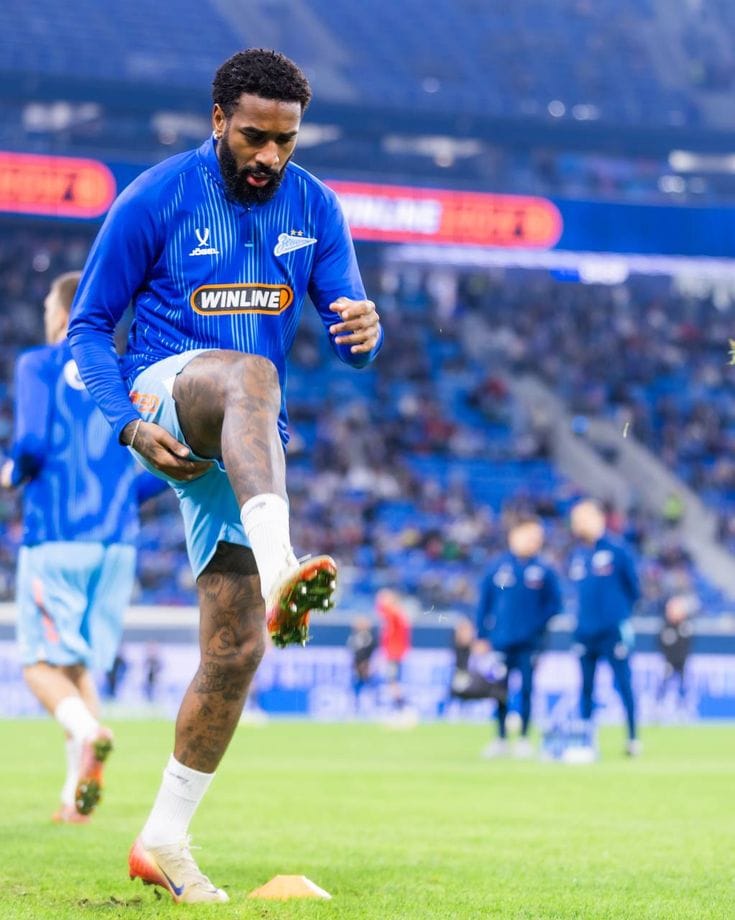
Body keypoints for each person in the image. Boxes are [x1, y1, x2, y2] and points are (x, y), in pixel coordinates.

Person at [67, 49, 382, 903]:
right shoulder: (156, 197)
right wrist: (125, 421)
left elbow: (353, 338)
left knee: (236, 648)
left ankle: (162, 838)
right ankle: (284, 566)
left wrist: (365, 332)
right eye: (252, 137)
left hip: (245, 437)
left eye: (285, 141)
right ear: (217, 120)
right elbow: (89, 326)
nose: (268, 156)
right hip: (163, 392)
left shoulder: (315, 206)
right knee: (251, 373)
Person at [2, 271, 163, 824]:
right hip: (117, 544)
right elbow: (160, 464)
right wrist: (120, 497)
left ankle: (90, 731)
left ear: (59, 312)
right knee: (76, 666)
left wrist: (13, 473)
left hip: (56, 536)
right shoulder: (126, 371)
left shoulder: (38, 364)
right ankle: (76, 799)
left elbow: (30, 443)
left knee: (37, 665)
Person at [475, 514, 561, 758]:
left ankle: (523, 738)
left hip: (530, 643)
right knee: (498, 690)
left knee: (526, 690)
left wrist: (535, 626)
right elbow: (484, 603)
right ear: (515, 535)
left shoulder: (543, 570)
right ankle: (500, 738)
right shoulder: (498, 567)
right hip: (501, 642)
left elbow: (554, 605)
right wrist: (482, 635)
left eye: (538, 537)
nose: (535, 540)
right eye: (530, 535)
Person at [568, 499, 641, 756]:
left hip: (612, 632)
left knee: (623, 683)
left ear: (597, 518)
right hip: (585, 633)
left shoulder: (618, 551)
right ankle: (587, 740)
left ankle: (632, 738)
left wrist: (617, 616)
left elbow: (634, 589)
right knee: (586, 687)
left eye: (581, 519)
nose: (577, 525)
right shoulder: (578, 555)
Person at [376, 589, 411, 717]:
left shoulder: (394, 614)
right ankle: (399, 708)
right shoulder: (398, 614)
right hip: (395, 653)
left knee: (393, 681)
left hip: (394, 653)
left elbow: (382, 608)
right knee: (392, 681)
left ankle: (402, 708)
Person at [657, 593, 696, 708]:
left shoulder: (686, 626)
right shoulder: (666, 626)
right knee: (664, 683)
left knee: (683, 684)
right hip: (669, 661)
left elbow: (687, 644)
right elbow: (661, 644)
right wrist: (667, 658)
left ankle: (684, 705)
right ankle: (658, 705)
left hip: (682, 661)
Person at [347, 615, 377, 705]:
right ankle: (356, 703)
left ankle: (372, 703)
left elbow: (368, 651)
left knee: (369, 684)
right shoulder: (355, 636)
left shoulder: (367, 637)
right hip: (358, 665)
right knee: (357, 684)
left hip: (365, 664)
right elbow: (353, 650)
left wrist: (365, 664)